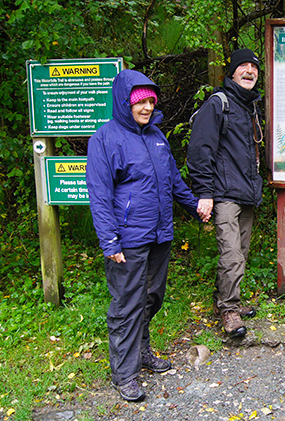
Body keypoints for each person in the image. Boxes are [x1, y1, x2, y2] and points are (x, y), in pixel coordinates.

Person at [87, 69, 206, 402]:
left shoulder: (156, 136)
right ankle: (124, 374)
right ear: (125, 103)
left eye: (151, 101)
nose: (146, 108)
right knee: (126, 304)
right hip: (128, 239)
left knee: (152, 297)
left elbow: (173, 180)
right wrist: (109, 241)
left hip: (159, 234)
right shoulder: (105, 139)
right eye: (140, 102)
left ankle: (141, 351)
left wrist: (194, 205)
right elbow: (98, 194)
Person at [188, 48, 263, 338]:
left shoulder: (249, 106)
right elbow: (199, 151)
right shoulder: (218, 104)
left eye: (254, 67)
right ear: (231, 72)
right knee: (231, 253)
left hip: (246, 193)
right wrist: (205, 193)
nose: (249, 71)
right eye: (243, 66)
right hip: (224, 194)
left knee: (240, 253)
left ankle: (229, 300)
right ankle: (229, 311)